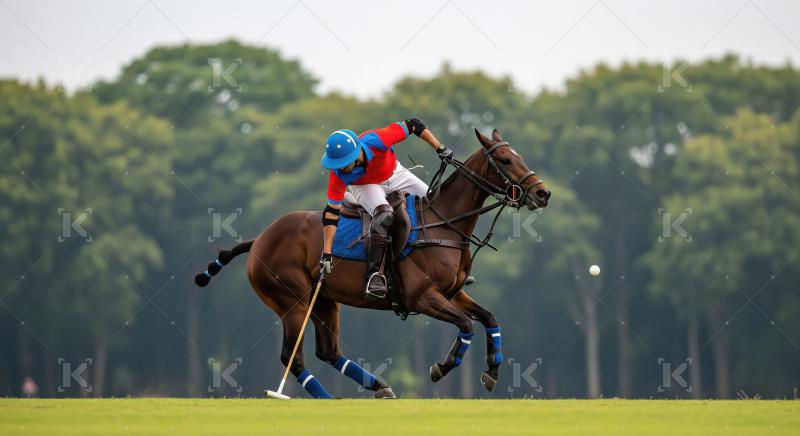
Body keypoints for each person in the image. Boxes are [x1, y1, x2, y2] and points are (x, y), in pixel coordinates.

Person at [319, 118, 452, 300]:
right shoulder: (339, 174)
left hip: (395, 173)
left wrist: (440, 148)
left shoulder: (377, 140)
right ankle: (375, 275)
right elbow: (331, 214)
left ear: (357, 153)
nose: (340, 168)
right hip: (365, 185)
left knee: (436, 203)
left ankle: (449, 264)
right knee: (385, 215)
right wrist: (327, 253)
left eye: (343, 163)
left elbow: (414, 124)